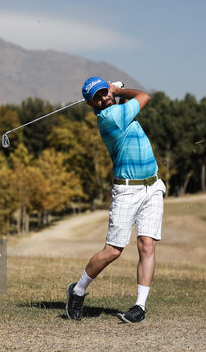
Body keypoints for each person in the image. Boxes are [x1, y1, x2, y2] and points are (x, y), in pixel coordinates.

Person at [66, 77, 166, 324]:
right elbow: (144, 96)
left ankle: (139, 307)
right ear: (91, 104)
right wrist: (118, 90)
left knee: (147, 245)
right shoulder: (109, 118)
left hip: (152, 186)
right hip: (126, 191)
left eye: (104, 92)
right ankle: (77, 291)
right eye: (98, 96)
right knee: (113, 250)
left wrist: (116, 94)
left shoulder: (118, 111)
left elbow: (128, 103)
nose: (103, 97)